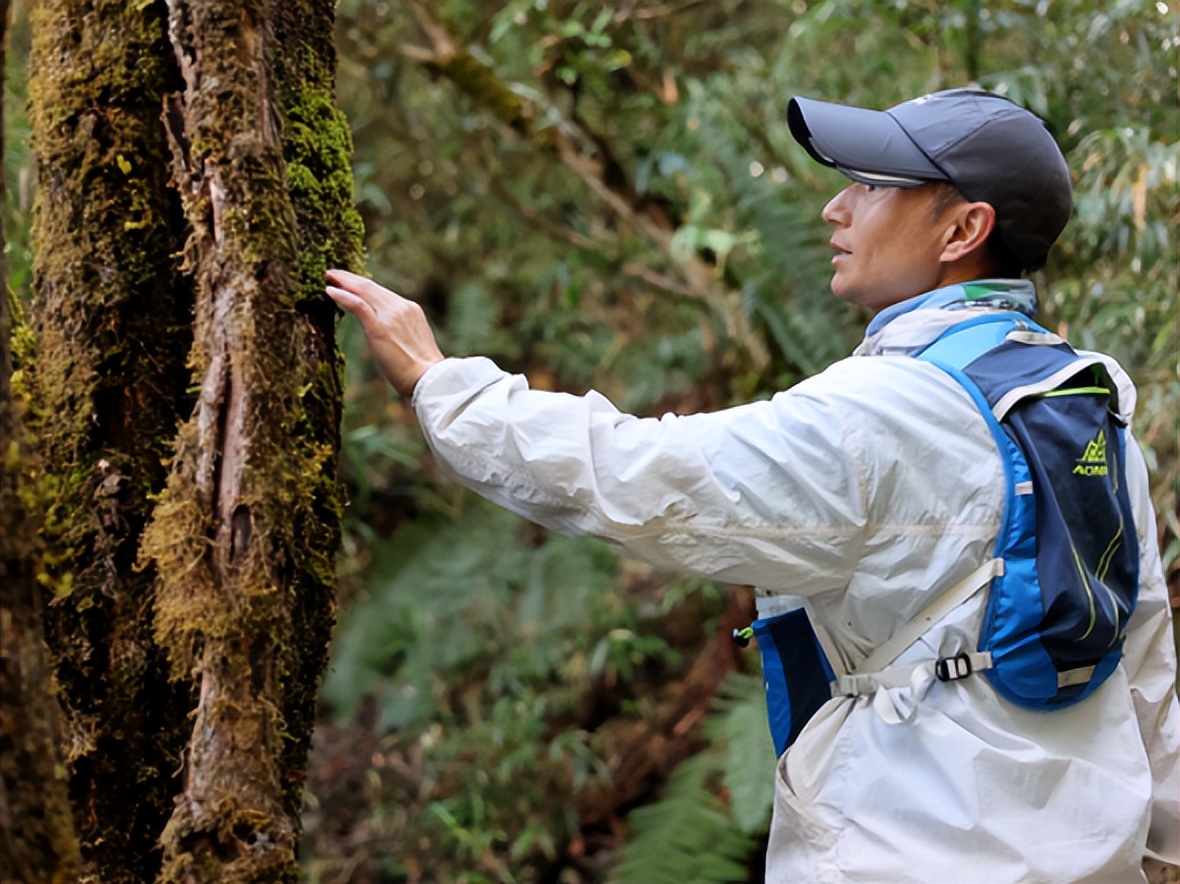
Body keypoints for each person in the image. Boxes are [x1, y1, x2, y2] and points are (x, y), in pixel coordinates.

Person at [326, 89, 1179, 882]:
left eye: (872, 187)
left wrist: (443, 386)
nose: (834, 208)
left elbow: (643, 477)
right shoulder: (1076, 395)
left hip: (918, 852)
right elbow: (1142, 659)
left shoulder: (893, 408)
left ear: (963, 230)